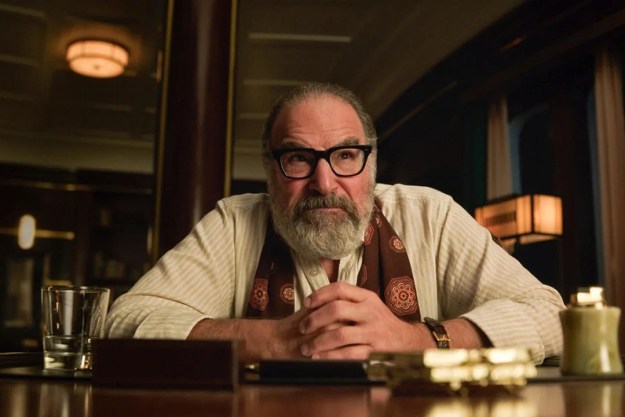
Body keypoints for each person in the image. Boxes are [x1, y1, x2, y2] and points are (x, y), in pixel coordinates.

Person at [105, 82, 565, 363]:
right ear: (271, 170)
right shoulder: (233, 222)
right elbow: (124, 321)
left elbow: (552, 318)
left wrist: (418, 340)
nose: (325, 182)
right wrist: (274, 341)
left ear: (372, 163)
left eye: (346, 155)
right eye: (300, 158)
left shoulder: (432, 215)